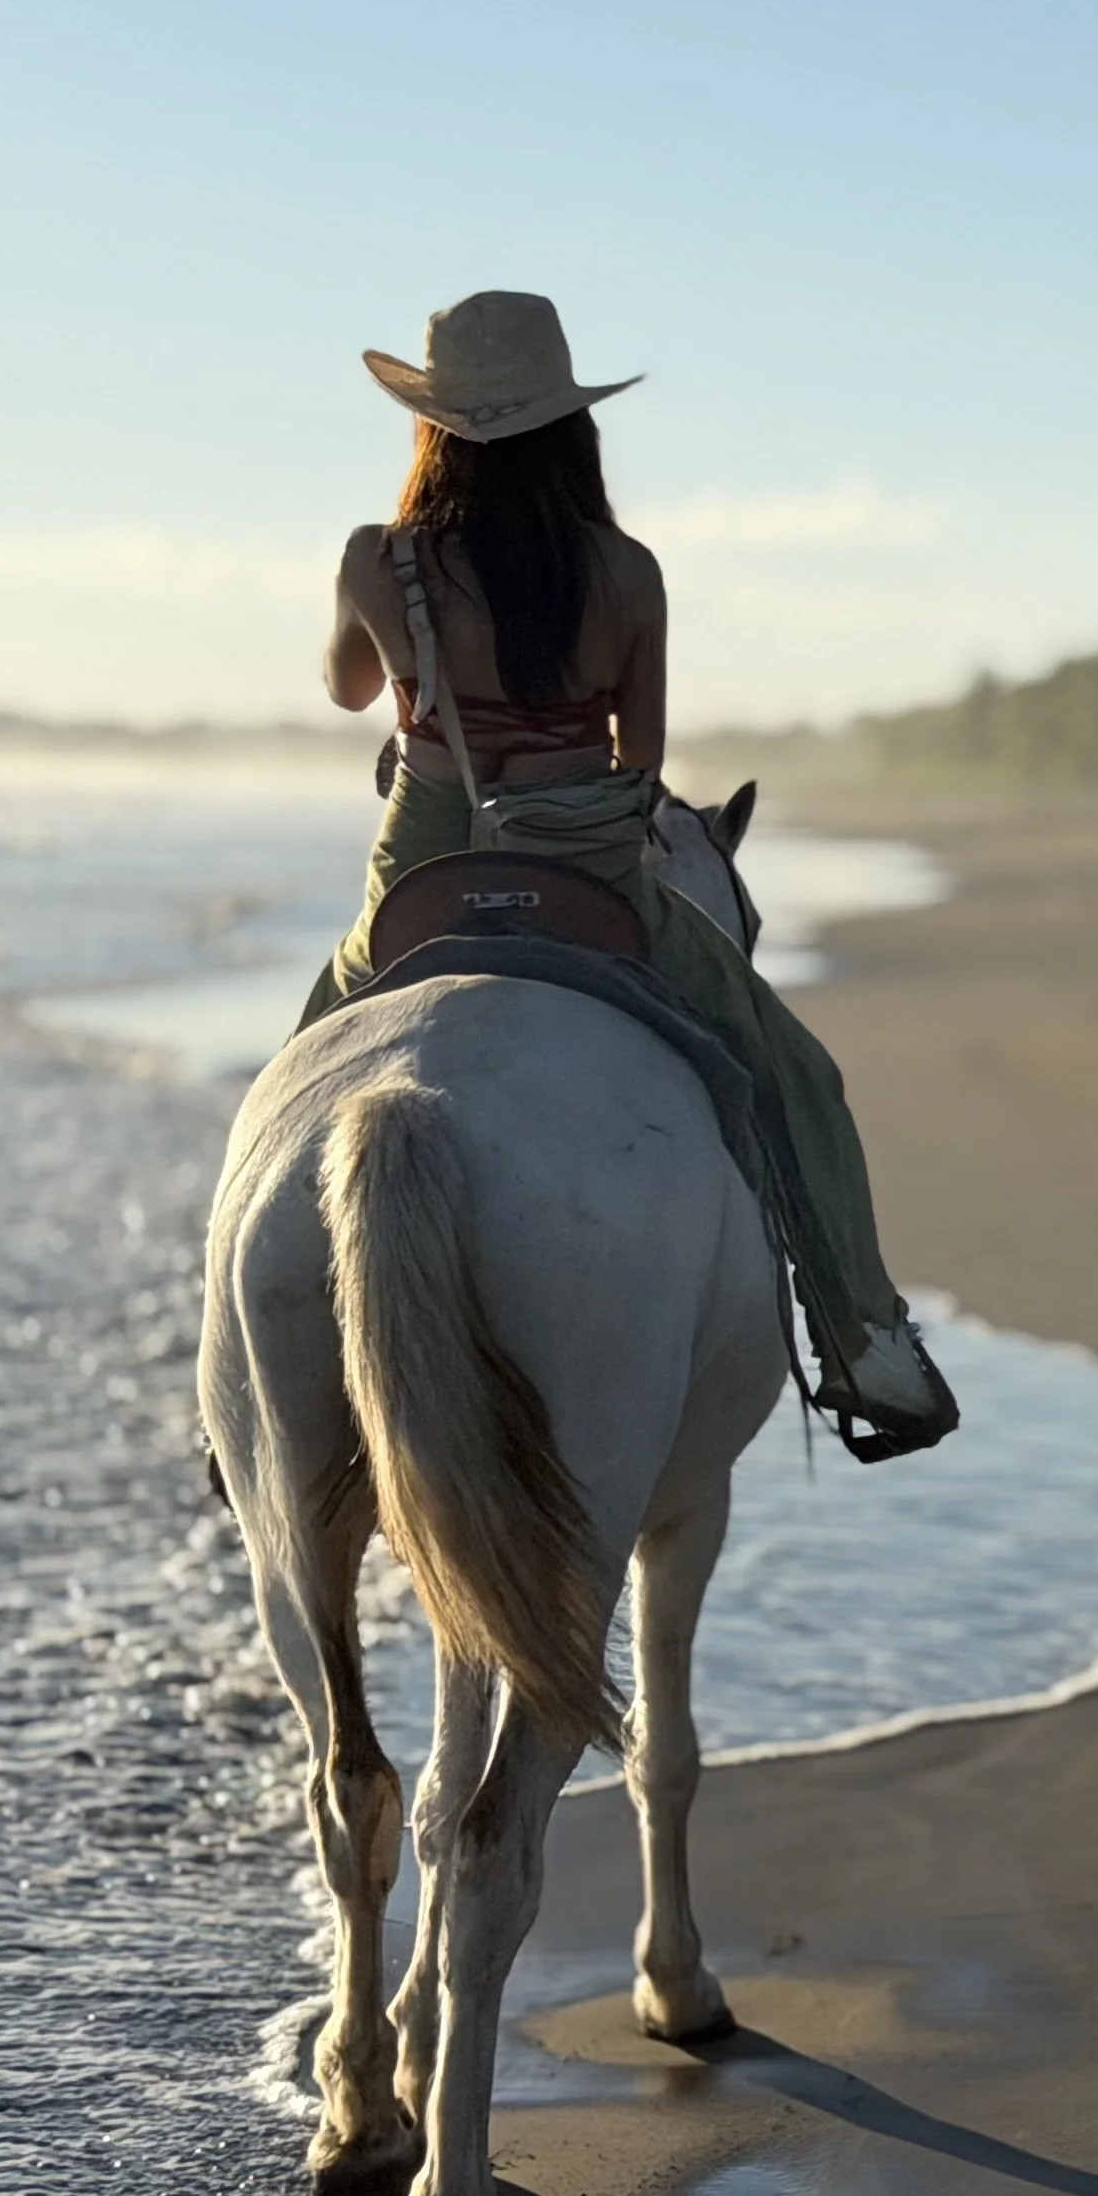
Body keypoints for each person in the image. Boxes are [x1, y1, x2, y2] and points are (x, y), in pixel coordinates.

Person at [305, 289, 954, 1459]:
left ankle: (246, 1390)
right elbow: (641, 758)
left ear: (432, 427)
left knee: (303, 1067)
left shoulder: (376, 557)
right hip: (589, 860)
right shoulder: (627, 572)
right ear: (571, 430)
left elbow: (350, 691)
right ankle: (869, 1343)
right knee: (795, 1076)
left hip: (426, 859)